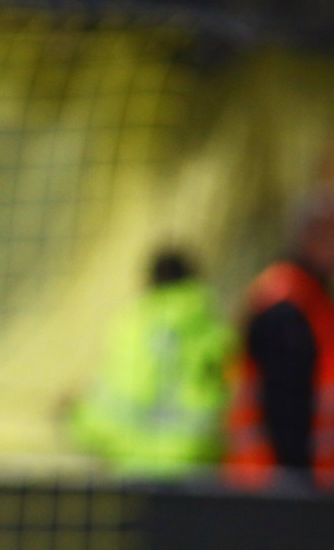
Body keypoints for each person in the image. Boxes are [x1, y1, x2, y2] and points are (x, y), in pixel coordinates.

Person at [68, 250, 234, 478]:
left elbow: (110, 401)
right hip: (196, 465)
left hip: (131, 467)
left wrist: (76, 420)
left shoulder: (130, 325)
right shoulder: (211, 328)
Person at [225, 191, 334, 491]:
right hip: (275, 477)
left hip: (294, 476)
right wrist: (293, 472)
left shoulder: (310, 297)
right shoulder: (288, 301)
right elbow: (282, 397)